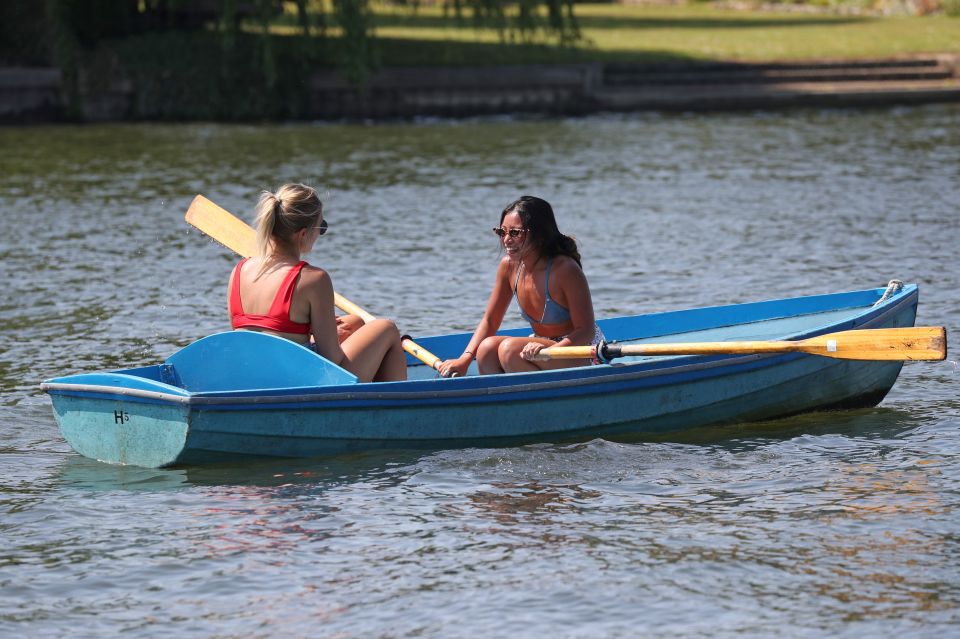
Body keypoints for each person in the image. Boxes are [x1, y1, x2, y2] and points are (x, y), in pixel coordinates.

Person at [227, 183, 407, 382]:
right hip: (297, 382)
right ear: (303, 234)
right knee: (386, 328)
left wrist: (314, 334)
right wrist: (326, 337)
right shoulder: (314, 279)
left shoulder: (239, 270)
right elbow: (332, 358)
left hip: (252, 375)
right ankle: (393, 408)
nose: (320, 234)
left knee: (354, 322)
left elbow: (261, 334)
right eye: (321, 227)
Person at [438, 196, 603, 378]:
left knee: (509, 350)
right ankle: (502, 402)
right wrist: (464, 360)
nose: (507, 240)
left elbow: (585, 331)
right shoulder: (508, 266)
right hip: (541, 346)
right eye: (502, 232)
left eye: (515, 233)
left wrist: (552, 351)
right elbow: (490, 321)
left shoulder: (565, 269)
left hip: (579, 349)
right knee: (486, 349)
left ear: (539, 235)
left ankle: (538, 402)